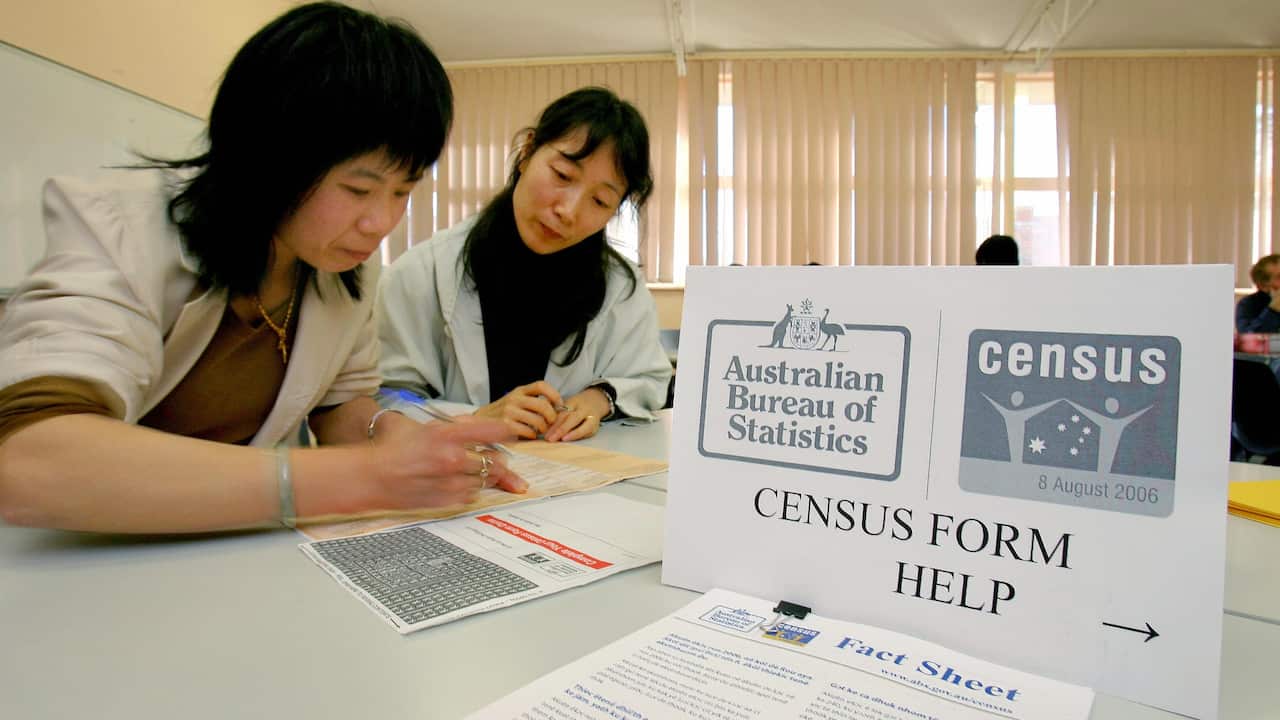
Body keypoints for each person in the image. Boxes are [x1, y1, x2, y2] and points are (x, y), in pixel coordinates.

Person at [0, 2, 526, 534]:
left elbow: (338, 403)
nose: (382, 221)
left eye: (403, 191)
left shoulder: (345, 272)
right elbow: (29, 460)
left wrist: (389, 433)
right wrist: (359, 478)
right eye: (358, 189)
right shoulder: (117, 226)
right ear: (268, 158)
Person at [378, 87, 671, 442]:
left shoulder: (620, 288)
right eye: (562, 176)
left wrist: (601, 397)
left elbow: (650, 378)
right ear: (528, 151)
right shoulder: (422, 272)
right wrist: (473, 419)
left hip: (578, 484)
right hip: (455, 480)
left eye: (599, 200)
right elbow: (384, 399)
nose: (569, 211)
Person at [1235, 254, 1280, 333]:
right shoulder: (1248, 304)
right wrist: (1273, 310)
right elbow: (1248, 336)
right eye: (1279, 277)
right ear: (1262, 285)